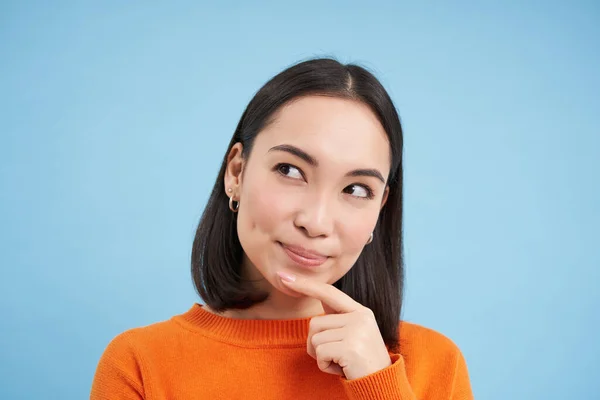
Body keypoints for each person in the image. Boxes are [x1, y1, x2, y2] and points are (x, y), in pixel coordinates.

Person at [90, 58, 474, 399]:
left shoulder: (434, 365)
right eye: (290, 171)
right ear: (236, 172)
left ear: (379, 210)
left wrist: (379, 387)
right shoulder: (140, 364)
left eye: (356, 189)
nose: (316, 221)